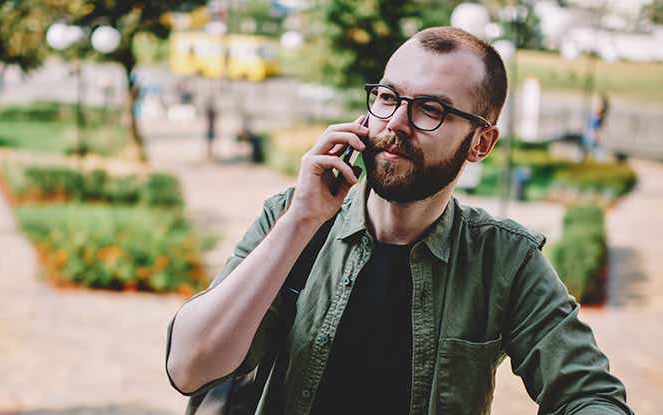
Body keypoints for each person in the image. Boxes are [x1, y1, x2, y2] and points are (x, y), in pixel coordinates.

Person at [166, 27, 632, 415]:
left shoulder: (503, 259)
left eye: (431, 109)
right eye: (388, 97)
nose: (396, 124)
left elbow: (592, 396)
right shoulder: (291, 219)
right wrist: (299, 222)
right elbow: (189, 368)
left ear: (481, 143)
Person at [581, 93, 609, 161]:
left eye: (599, 104)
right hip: (588, 138)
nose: (596, 105)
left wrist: (598, 136)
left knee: (599, 155)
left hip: (593, 139)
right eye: (596, 103)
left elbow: (598, 129)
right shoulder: (593, 114)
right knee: (584, 155)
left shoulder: (600, 117)